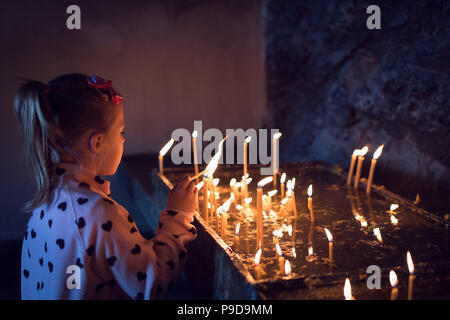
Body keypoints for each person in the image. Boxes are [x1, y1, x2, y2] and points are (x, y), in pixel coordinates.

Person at [14, 73, 198, 299]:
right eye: (121, 132)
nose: (123, 140)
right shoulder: (99, 214)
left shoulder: (45, 201)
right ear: (97, 143)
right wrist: (178, 216)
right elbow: (152, 284)